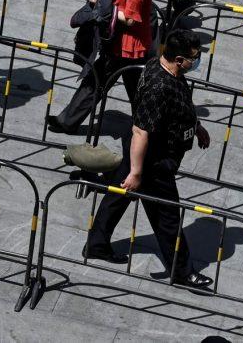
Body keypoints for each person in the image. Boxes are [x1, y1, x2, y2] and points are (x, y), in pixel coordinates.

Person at [83, 29, 213, 290]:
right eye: (193, 58)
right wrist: (137, 171)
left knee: (119, 194)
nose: (195, 62)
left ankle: (97, 244)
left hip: (148, 154)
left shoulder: (166, 69)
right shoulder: (158, 86)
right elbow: (141, 131)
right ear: (178, 59)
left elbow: (178, 105)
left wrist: (195, 126)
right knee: (167, 215)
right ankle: (182, 271)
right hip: (154, 159)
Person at [48, 0, 159, 133]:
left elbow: (131, 19)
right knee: (117, 86)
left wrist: (105, 7)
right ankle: (148, 128)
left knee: (101, 83)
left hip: (127, 45)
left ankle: (148, 129)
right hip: (123, 43)